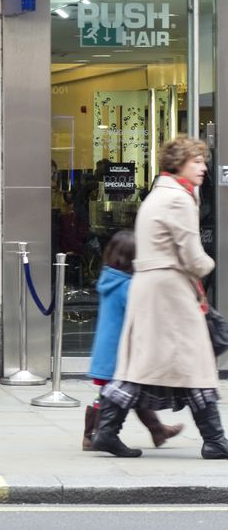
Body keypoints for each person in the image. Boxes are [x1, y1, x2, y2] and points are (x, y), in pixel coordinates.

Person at [92, 136, 227, 459]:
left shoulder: (160, 193)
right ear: (179, 162)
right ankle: (214, 439)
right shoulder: (179, 199)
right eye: (197, 161)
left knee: (144, 365)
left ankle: (107, 431)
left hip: (155, 289)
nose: (203, 168)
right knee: (192, 362)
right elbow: (193, 256)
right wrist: (209, 264)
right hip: (170, 292)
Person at [82, 230, 182, 451]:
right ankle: (91, 436)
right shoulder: (127, 286)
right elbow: (143, 313)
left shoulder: (110, 279)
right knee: (117, 396)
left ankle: (157, 430)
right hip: (119, 353)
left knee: (129, 395)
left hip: (107, 353)